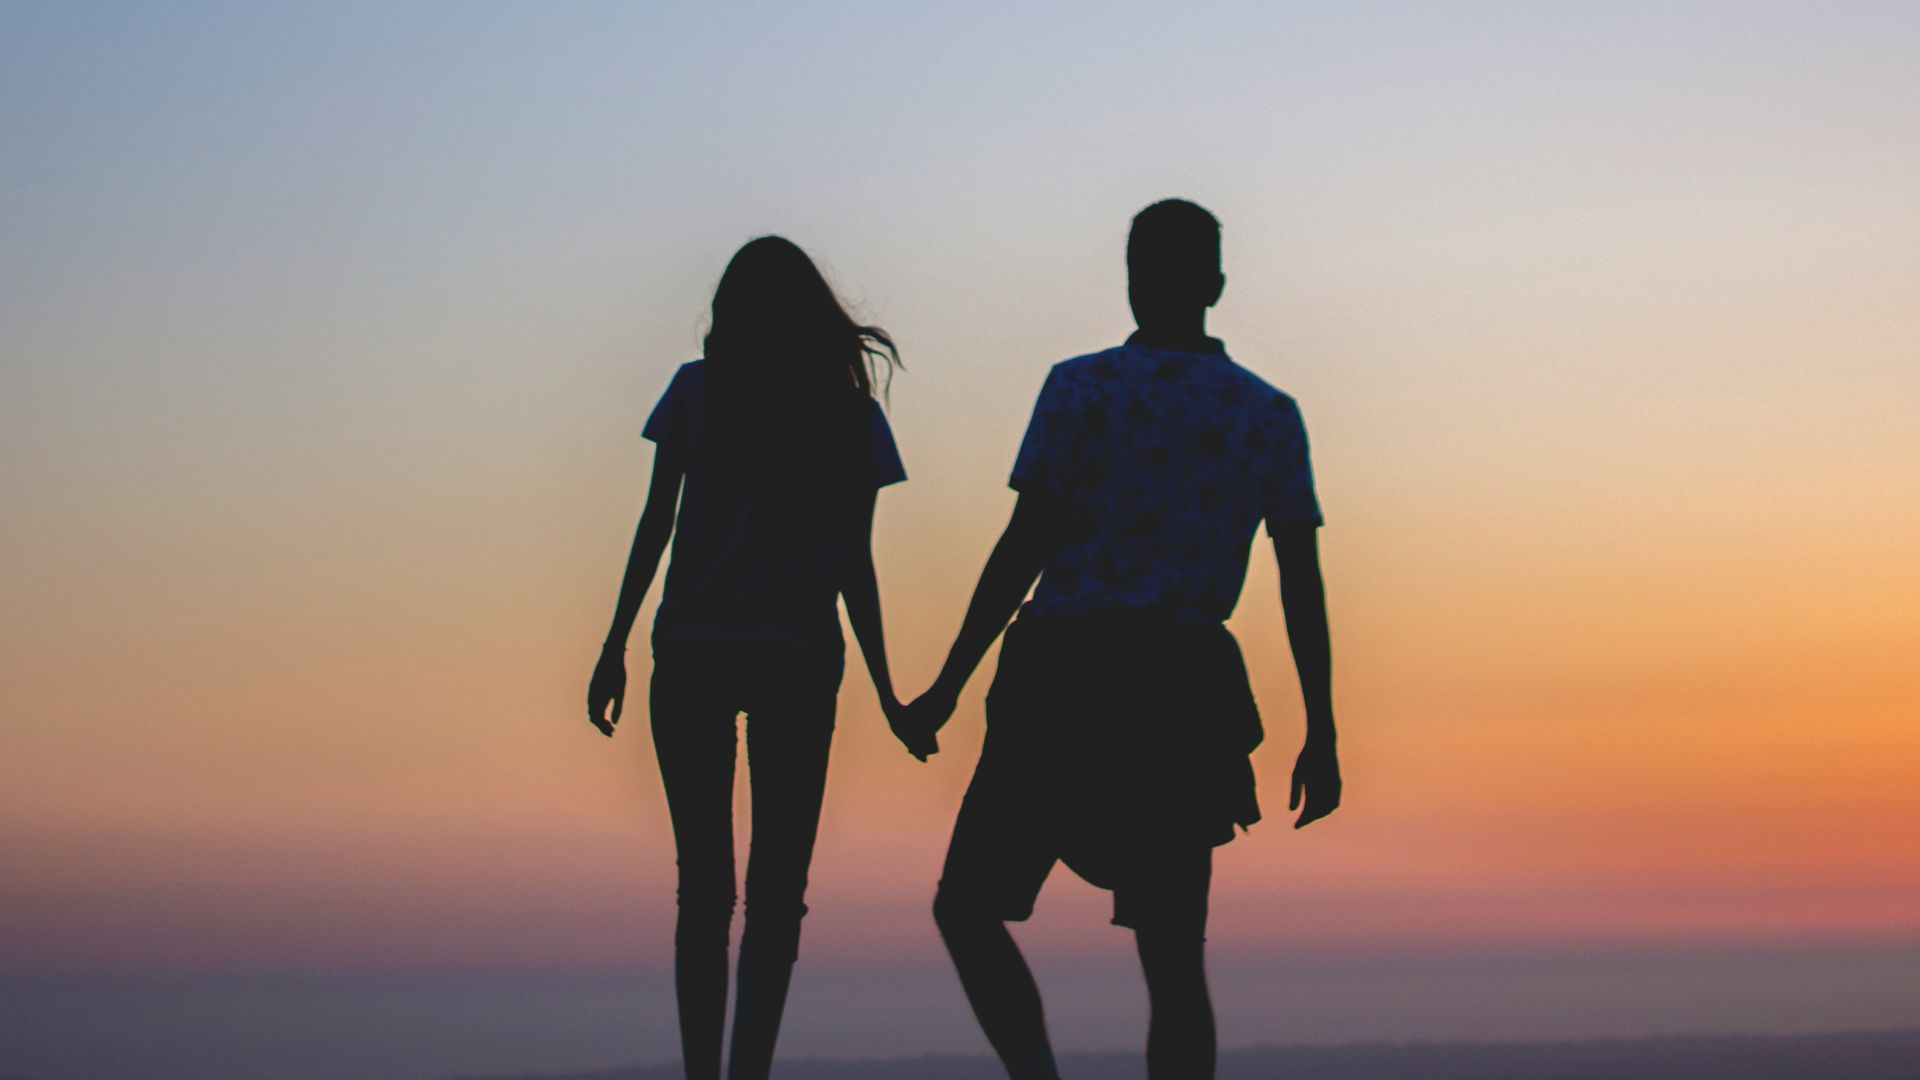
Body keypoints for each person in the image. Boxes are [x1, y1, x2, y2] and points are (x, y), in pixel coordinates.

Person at [904, 199, 1342, 1080]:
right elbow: (1301, 582)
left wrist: (948, 685)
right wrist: (1321, 731)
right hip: (1181, 691)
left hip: (1065, 679)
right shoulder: (1265, 411)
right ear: (1216, 283)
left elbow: (1026, 545)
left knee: (968, 907)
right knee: (1173, 961)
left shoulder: (1082, 388)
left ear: (1136, 280)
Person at [587, 235, 932, 1080]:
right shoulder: (849, 414)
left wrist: (614, 645)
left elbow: (656, 524)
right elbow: (854, 565)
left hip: (694, 652)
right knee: (776, 897)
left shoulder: (697, 391)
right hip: (796, 660)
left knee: (704, 891)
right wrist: (888, 693)